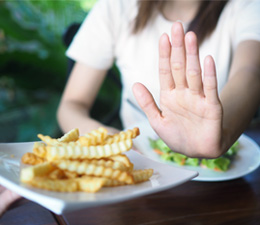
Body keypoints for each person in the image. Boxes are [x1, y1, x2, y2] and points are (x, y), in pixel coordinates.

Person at [1, 0, 260, 216]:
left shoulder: (246, 6)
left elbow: (251, 71)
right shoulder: (117, 7)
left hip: (227, 197)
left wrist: (222, 133)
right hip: (133, 185)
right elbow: (71, 106)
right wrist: (108, 139)